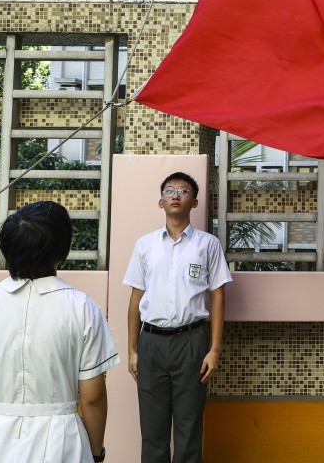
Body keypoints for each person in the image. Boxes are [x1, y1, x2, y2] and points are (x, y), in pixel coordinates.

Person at [0, 201, 119, 463]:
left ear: (8, 250)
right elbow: (93, 398)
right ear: (62, 250)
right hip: (62, 442)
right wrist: (96, 453)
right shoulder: (83, 309)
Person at [124, 171, 232, 463]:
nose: (175, 195)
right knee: (153, 430)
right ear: (160, 202)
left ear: (194, 202)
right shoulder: (145, 245)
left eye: (183, 190)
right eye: (169, 190)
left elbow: (218, 296)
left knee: (189, 428)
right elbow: (136, 299)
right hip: (151, 343)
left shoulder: (207, 245)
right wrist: (133, 349)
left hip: (191, 343)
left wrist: (215, 349)